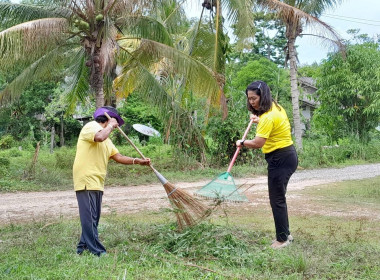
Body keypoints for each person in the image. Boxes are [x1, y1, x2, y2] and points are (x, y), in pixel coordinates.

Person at [73, 106, 151, 256]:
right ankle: (98, 251)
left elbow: (119, 157)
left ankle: (82, 248)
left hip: (97, 181)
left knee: (93, 218)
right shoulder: (91, 127)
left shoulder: (107, 139)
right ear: (108, 119)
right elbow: (99, 137)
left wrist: (138, 161)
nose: (116, 127)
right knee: (89, 217)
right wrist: (110, 125)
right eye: (116, 122)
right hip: (86, 179)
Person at [236, 81, 298, 249]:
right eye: (249, 99)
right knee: (279, 198)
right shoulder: (275, 108)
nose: (251, 102)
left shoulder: (267, 117)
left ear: (263, 96)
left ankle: (282, 239)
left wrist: (242, 142)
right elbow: (271, 125)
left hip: (280, 158)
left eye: (254, 98)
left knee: (276, 199)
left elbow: (257, 143)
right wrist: (258, 121)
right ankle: (285, 234)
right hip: (287, 155)